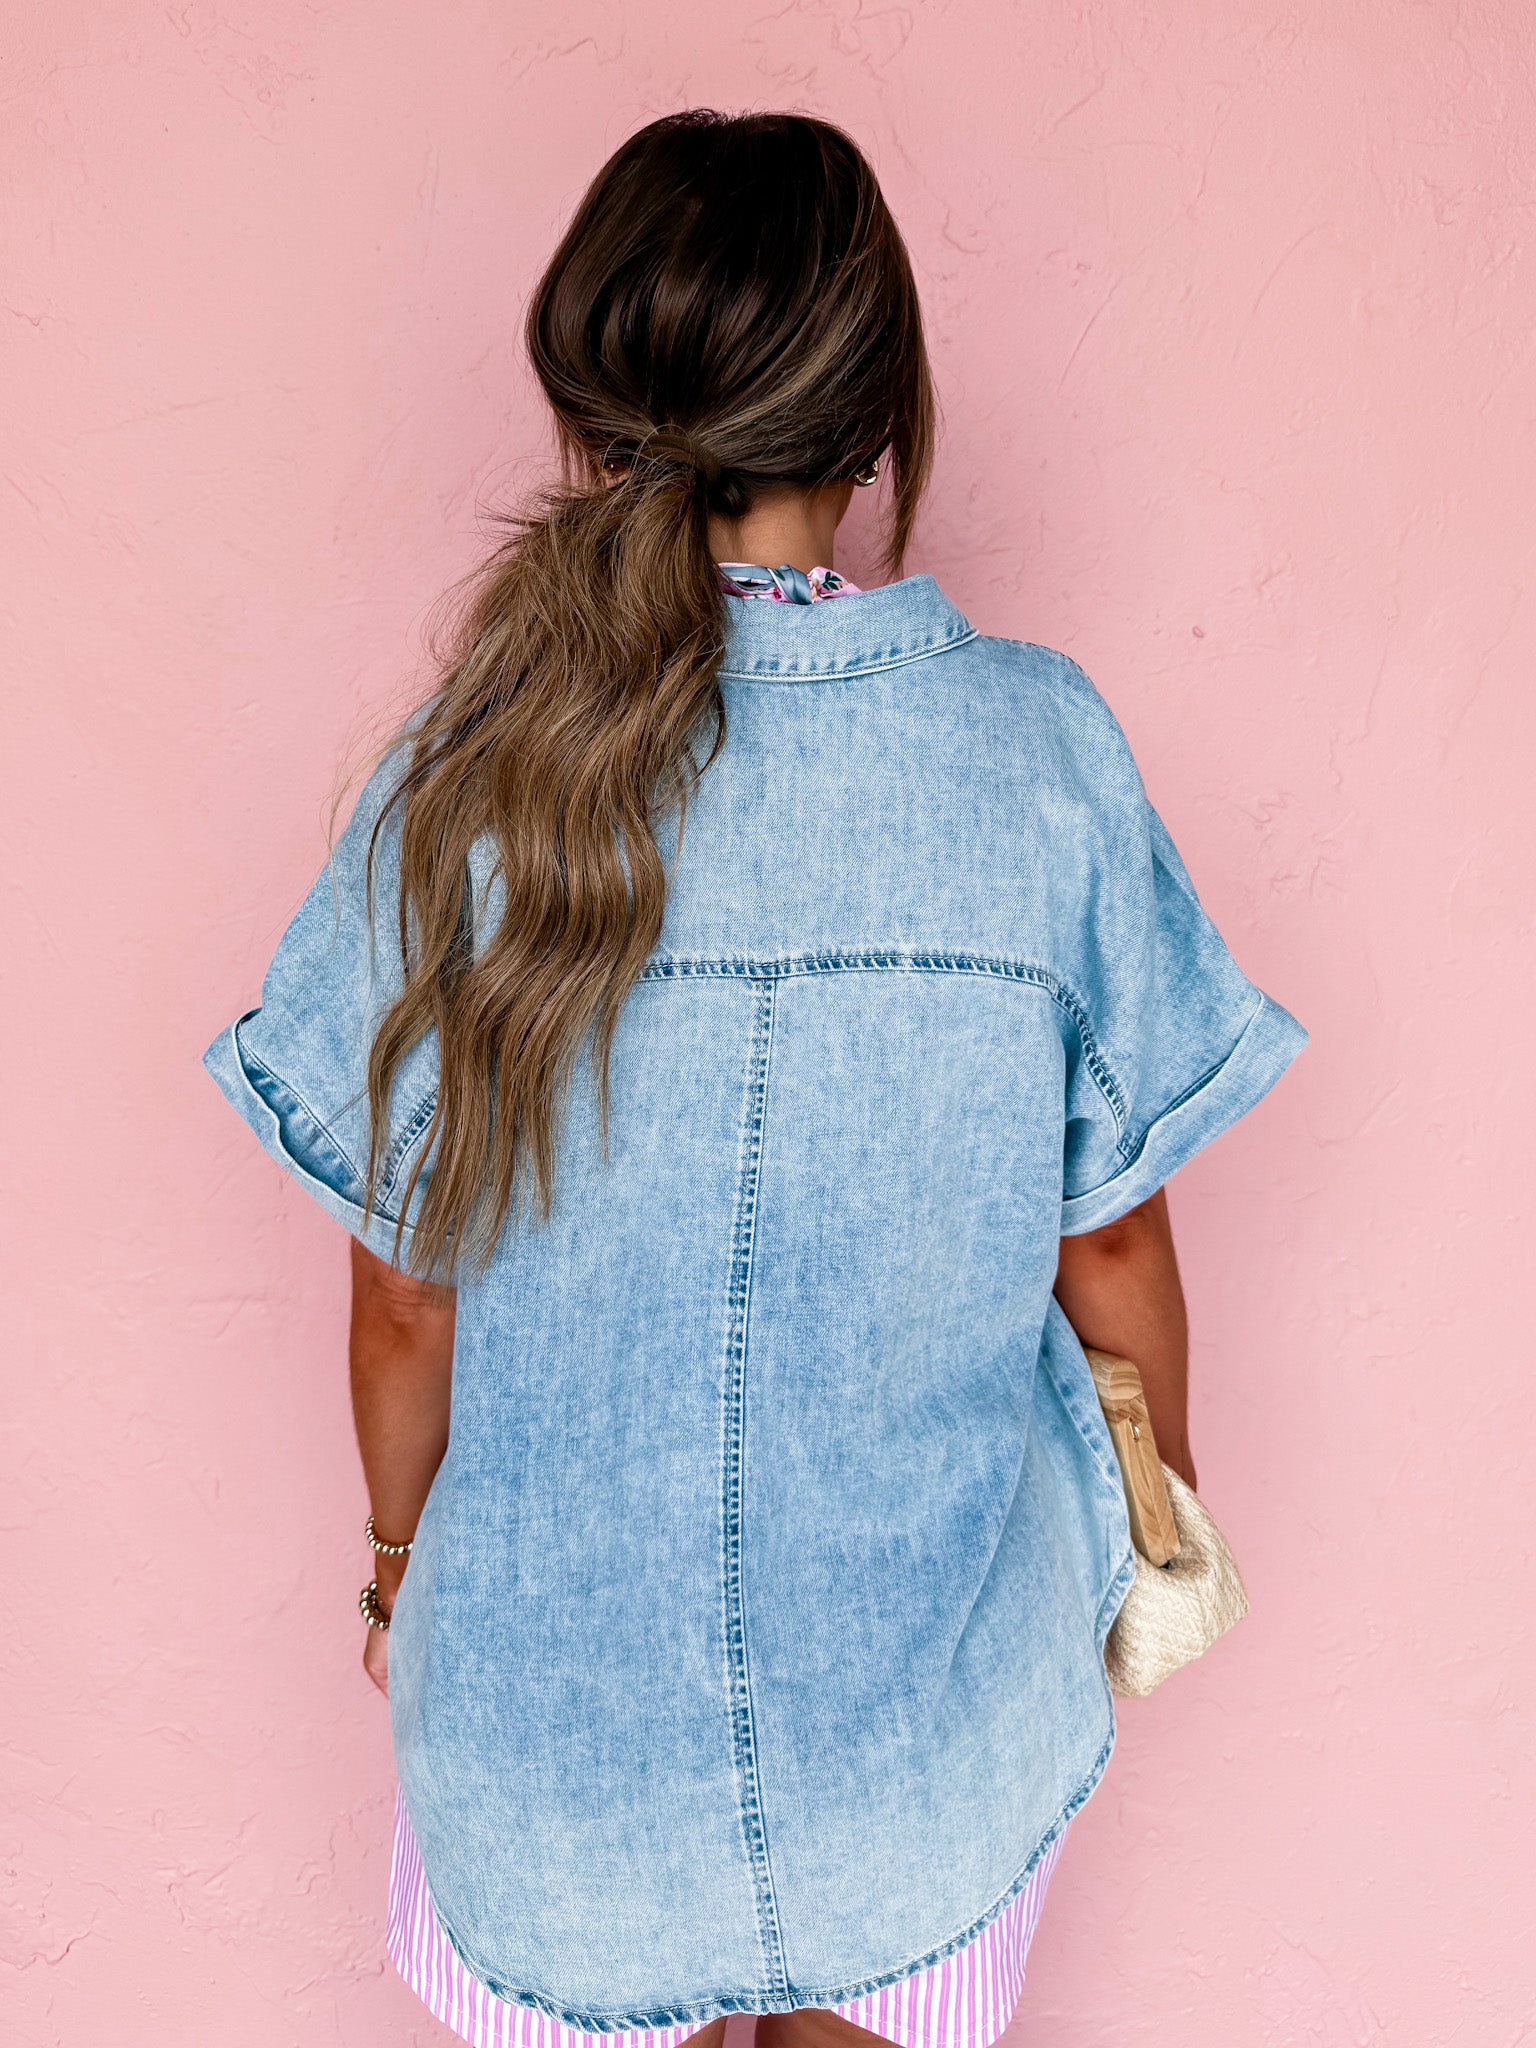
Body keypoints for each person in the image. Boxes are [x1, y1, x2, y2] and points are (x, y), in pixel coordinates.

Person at [205, 109, 1305, 2048]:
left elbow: (402, 1303)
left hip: (553, 1803)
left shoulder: (459, 782)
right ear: (875, 417)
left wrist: (397, 1575)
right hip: (919, 1776)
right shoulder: (1037, 756)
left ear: (596, 410)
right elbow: (1115, 1253)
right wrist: (1162, 1532)